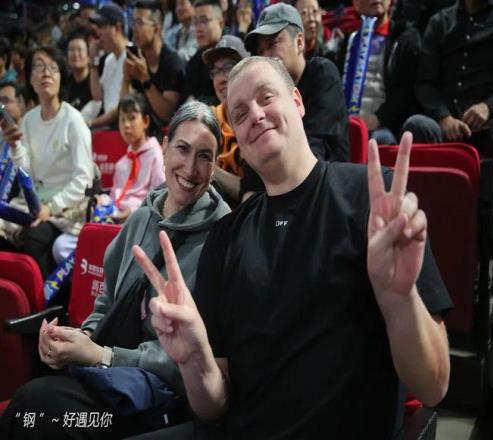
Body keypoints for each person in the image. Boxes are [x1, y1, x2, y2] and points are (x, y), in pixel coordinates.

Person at [130, 56, 452, 439]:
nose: (256, 115)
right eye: (240, 114)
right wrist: (194, 361)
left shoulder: (373, 198)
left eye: (266, 97)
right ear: (238, 141)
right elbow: (213, 408)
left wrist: (398, 297)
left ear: (297, 102)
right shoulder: (226, 236)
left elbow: (433, 385)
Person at [0, 100, 231, 440]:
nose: (190, 167)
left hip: (164, 394)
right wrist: (82, 338)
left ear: (215, 166)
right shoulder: (142, 217)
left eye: (204, 156)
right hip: (112, 376)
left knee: (37, 412)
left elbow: (201, 357)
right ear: (165, 148)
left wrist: (103, 356)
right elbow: (108, 302)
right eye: (182, 149)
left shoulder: (224, 238)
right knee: (29, 410)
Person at [0, 46, 94, 279]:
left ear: (61, 78)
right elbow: (27, 173)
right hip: (34, 203)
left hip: (67, 207)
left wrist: (50, 208)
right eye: (39, 67)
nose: (46, 73)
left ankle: (39, 299)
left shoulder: (74, 121)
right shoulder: (29, 121)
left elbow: (84, 180)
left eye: (53, 68)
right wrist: (15, 146)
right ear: (30, 78)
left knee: (34, 238)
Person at [241, 3, 350, 198]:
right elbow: (256, 155)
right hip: (280, 192)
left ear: (299, 42)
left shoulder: (323, 74)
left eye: (273, 44)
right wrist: (250, 195)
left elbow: (314, 149)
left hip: (325, 192)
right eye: (261, 51)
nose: (266, 57)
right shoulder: (267, 95)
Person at [52, 93, 166, 264]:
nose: (126, 125)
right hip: (111, 222)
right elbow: (114, 197)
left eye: (132, 118)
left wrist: (132, 213)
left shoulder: (157, 156)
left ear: (145, 121)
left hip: (137, 228)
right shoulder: (122, 163)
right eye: (122, 119)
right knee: (61, 246)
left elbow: (160, 200)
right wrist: (103, 201)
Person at [402, 0, 493, 158]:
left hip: (491, 123)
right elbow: (425, 82)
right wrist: (444, 117)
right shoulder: (440, 21)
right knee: (416, 125)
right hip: (446, 125)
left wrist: (488, 107)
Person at [338, 0, 421, 144]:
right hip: (347, 123)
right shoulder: (349, 41)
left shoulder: (405, 37)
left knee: (379, 140)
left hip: (385, 125)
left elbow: (407, 90)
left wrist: (379, 118)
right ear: (356, 4)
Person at [123, 0, 185, 134]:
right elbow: (125, 109)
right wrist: (126, 80)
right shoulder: (138, 59)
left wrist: (145, 79)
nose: (134, 28)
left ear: (157, 29)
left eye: (140, 23)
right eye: (133, 22)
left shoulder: (172, 62)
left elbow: (168, 115)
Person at [202, 34, 249, 204]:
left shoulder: (259, 120)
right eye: (216, 72)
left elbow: (254, 192)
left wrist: (210, 168)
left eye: (229, 68)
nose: (221, 79)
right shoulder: (209, 119)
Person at [88, 2, 129, 129]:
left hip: (126, 126)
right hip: (111, 127)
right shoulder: (109, 60)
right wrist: (93, 62)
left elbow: (123, 106)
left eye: (102, 27)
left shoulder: (131, 57)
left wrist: (90, 123)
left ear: (117, 28)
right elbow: (98, 96)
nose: (98, 34)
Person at [183, 0, 225, 104]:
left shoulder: (233, 52)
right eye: (195, 22)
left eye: (204, 21)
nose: (198, 28)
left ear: (221, 23)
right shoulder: (193, 63)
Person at [66, 29, 93, 111]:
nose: (75, 54)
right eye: (71, 50)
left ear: (88, 55)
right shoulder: (64, 84)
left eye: (79, 50)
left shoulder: (95, 83)